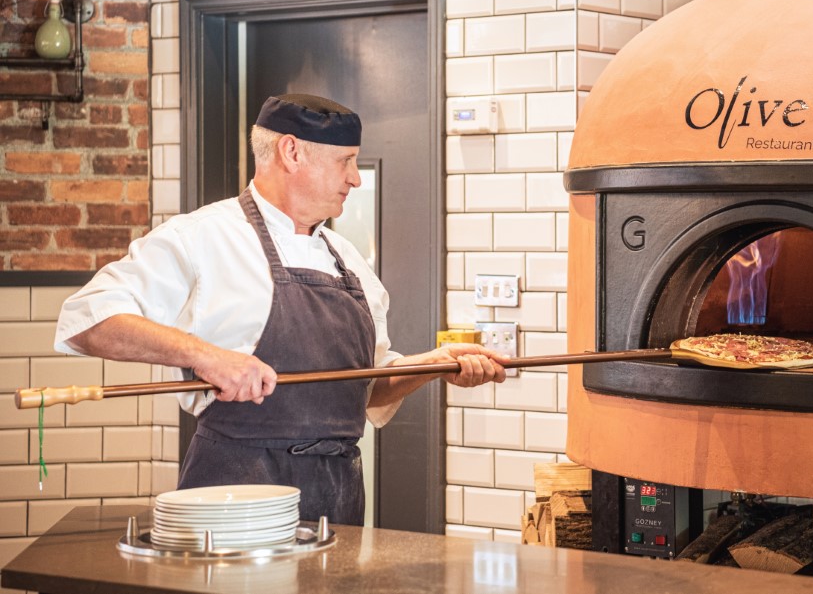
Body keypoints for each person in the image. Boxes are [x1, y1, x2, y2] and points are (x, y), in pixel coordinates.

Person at [54, 93, 507, 526]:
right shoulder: (202, 238)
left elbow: (366, 390)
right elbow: (87, 319)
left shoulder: (349, 261)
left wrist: (430, 366)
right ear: (291, 152)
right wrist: (205, 356)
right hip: (235, 498)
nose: (356, 178)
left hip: (337, 498)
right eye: (345, 161)